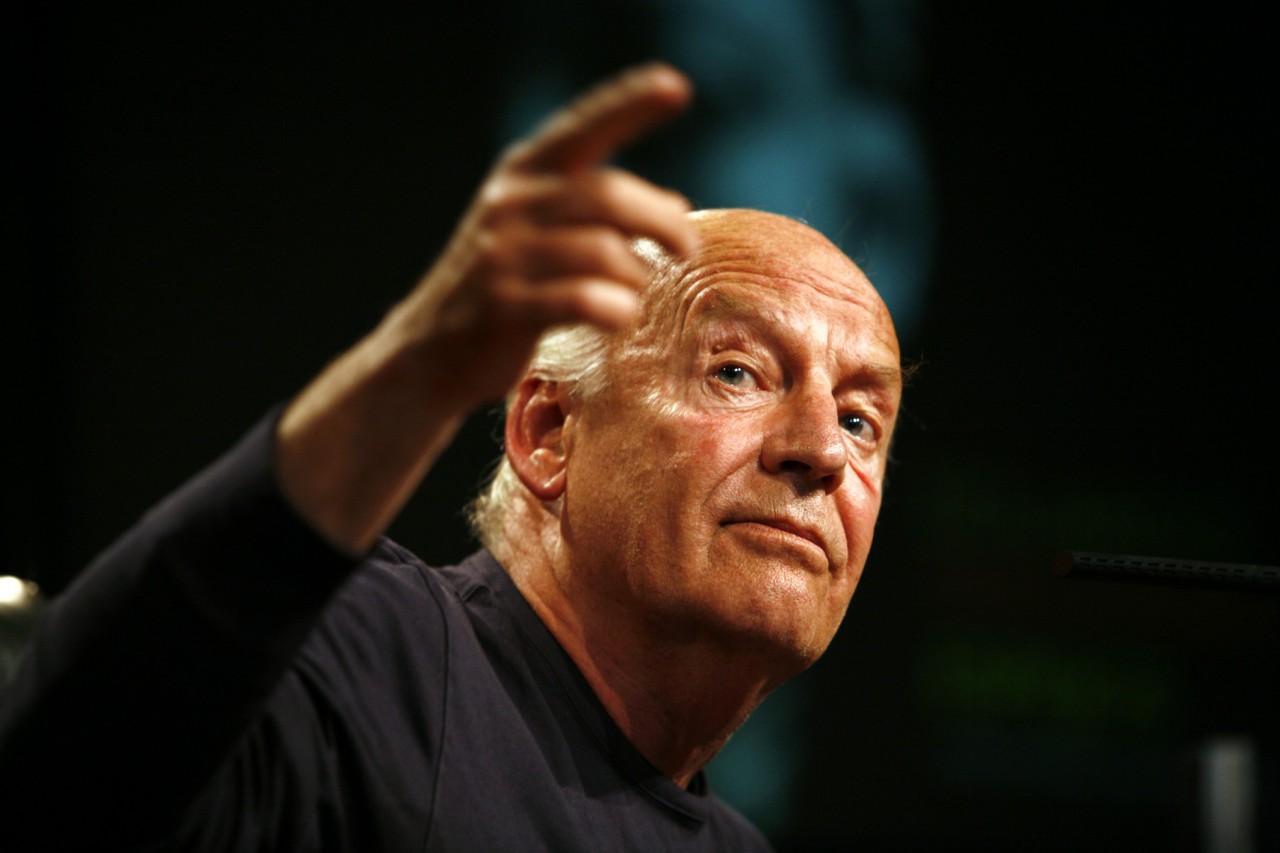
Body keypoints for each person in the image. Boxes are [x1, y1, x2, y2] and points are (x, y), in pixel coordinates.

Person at [0, 62, 903, 851]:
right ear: (548, 432)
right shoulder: (378, 655)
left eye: (862, 420)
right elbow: (65, 771)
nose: (822, 448)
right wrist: (422, 363)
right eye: (737, 372)